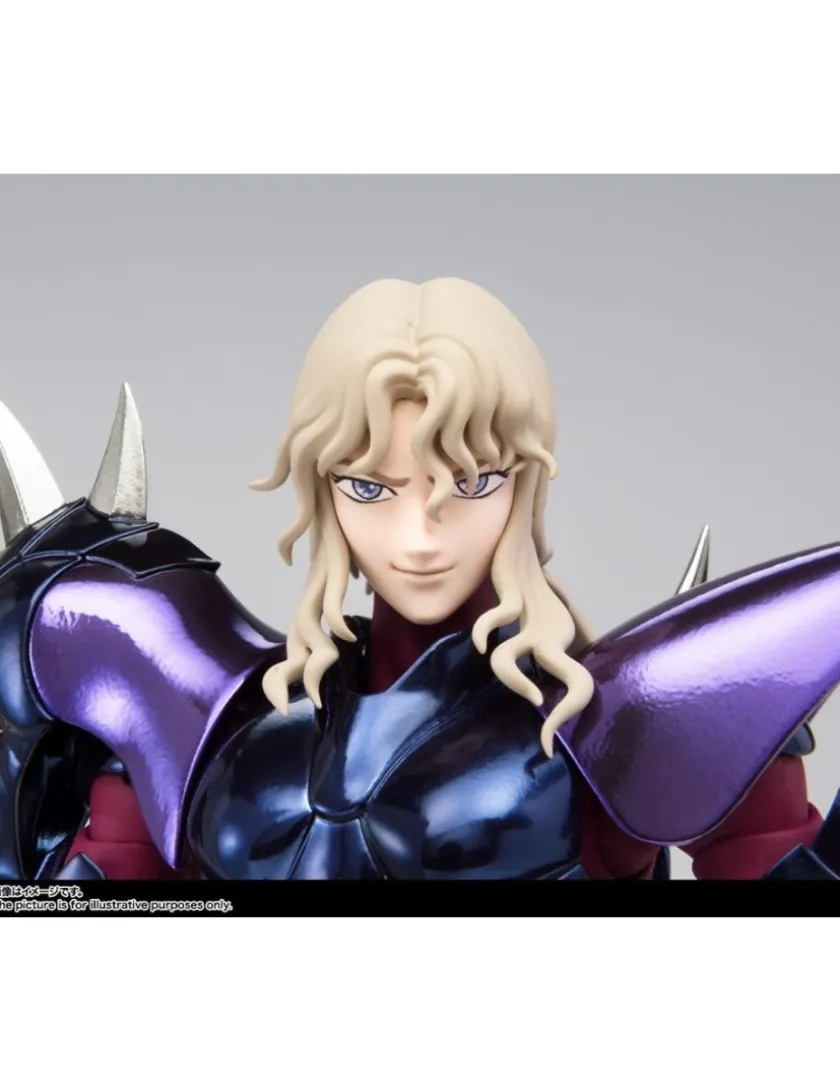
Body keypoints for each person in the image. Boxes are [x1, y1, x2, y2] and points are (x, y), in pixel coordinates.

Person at [1, 278, 838, 880]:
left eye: (470, 483)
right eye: (371, 488)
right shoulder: (211, 724)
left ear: (527, 485)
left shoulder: (609, 728)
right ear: (323, 492)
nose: (420, 538)